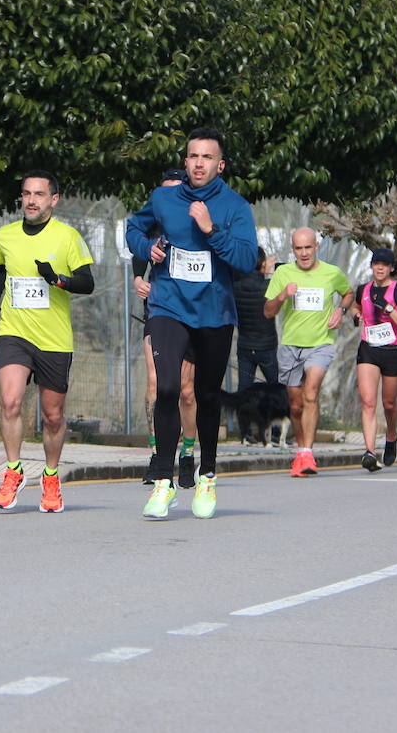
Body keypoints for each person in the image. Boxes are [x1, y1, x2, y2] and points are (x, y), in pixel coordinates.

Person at [126, 127, 258, 519]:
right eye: (193, 156)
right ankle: (164, 483)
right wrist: (145, 247)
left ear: (220, 165)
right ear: (185, 161)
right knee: (166, 388)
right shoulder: (164, 198)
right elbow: (133, 227)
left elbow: (247, 259)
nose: (199, 163)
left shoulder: (235, 207)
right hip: (168, 305)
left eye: (207, 157)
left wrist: (210, 231)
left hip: (214, 313)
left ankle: (208, 475)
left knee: (206, 395)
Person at [0, 171, 95, 513]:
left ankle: (50, 476)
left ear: (53, 200)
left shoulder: (67, 237)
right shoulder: (6, 235)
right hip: (14, 330)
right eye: (26, 194)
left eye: (39, 195)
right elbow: (0, 269)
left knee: (52, 416)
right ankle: (14, 470)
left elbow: (87, 282)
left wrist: (58, 280)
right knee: (11, 401)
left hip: (54, 338)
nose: (31, 200)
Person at [264, 228, 353, 474]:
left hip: (321, 344)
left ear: (317, 247)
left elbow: (348, 293)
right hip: (291, 346)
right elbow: (268, 312)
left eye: (308, 247)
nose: (304, 253)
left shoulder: (331, 273)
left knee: (311, 393)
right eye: (298, 248)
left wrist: (341, 311)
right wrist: (283, 295)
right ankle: (301, 450)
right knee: (295, 405)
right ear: (293, 250)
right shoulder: (283, 273)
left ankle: (307, 454)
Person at [133, 169, 198, 486]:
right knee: (156, 382)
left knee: (186, 392)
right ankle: (158, 455)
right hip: (159, 310)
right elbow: (138, 247)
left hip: (192, 313)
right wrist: (137, 279)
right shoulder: (154, 221)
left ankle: (187, 453)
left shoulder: (196, 223)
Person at [350, 247, 397, 471]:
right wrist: (356, 314)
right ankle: (369, 452)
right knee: (368, 402)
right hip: (369, 349)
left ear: (390, 268)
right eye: (376, 263)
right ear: (371, 266)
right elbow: (356, 305)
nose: (379, 268)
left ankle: (391, 435)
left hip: (393, 351)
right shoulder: (363, 289)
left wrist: (390, 311)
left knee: (388, 403)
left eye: (384, 265)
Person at [233, 248, 279, 391]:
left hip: (245, 347)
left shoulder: (235, 285)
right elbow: (287, 276)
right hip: (266, 347)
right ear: (263, 264)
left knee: (243, 391)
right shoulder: (269, 286)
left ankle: (242, 414)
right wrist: (268, 271)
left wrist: (261, 269)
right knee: (277, 387)